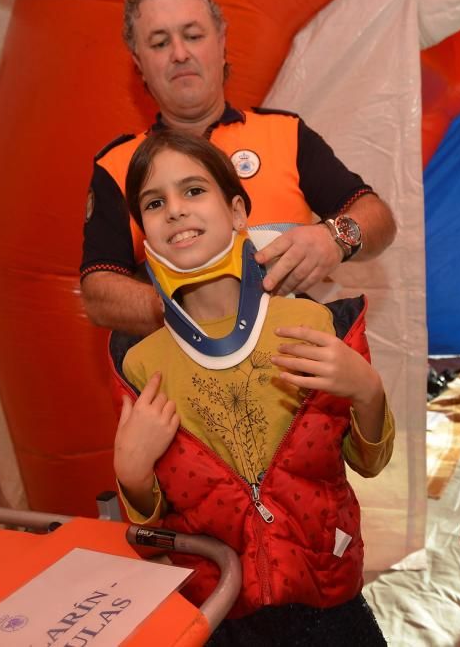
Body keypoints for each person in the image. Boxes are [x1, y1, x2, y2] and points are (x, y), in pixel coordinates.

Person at [112, 130, 394, 644]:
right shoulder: (140, 363)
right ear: (145, 234)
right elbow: (153, 524)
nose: (175, 209)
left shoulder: (313, 322)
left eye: (194, 191)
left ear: (239, 212)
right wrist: (131, 474)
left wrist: (368, 391)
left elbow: (369, 462)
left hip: (331, 602)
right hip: (222, 614)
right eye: (155, 202)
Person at [81, 0, 397, 335]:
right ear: (139, 62)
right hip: (184, 381)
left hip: (302, 368)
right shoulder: (117, 164)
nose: (180, 54)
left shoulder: (286, 133)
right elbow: (98, 292)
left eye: (193, 35)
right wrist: (190, 310)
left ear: (221, 41)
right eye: (159, 42)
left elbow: (377, 217)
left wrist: (335, 238)